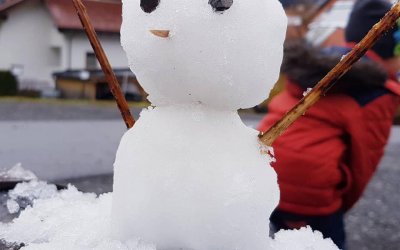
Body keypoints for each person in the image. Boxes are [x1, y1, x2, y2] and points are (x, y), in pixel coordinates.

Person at [258, 0, 400, 249]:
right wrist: (339, 203)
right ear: (393, 50)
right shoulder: (377, 94)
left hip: (266, 176)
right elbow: (363, 164)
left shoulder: (315, 64)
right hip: (312, 196)